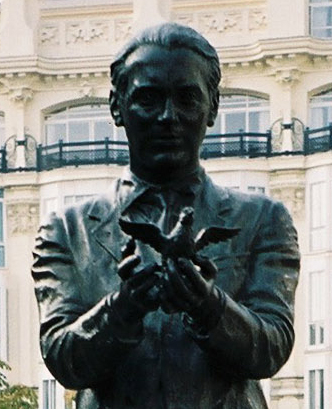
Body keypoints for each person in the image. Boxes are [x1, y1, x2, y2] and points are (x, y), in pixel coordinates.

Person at [32, 23, 300, 409]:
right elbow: (64, 360)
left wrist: (208, 306)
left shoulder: (264, 219)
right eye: (149, 98)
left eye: (188, 98)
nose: (168, 116)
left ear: (213, 108)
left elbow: (271, 348)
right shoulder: (66, 231)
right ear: (116, 107)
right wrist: (121, 308)